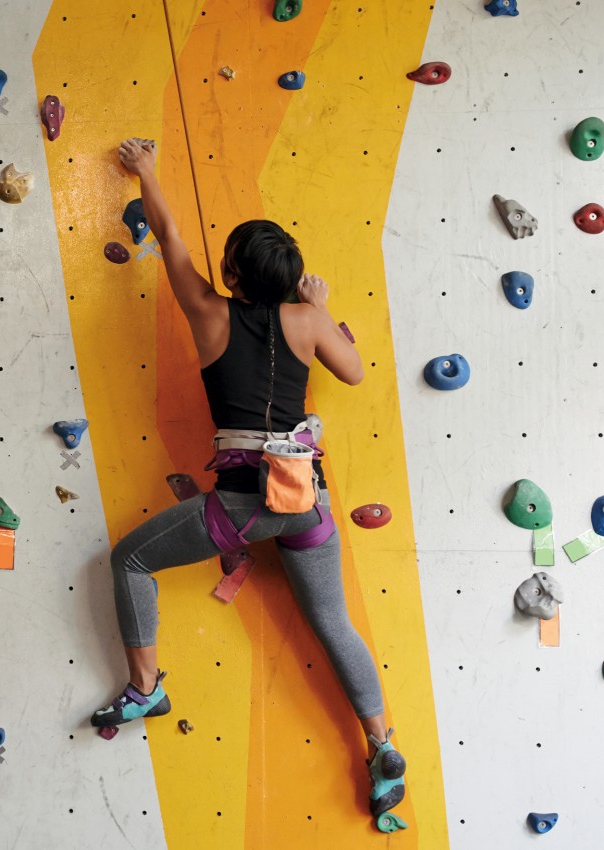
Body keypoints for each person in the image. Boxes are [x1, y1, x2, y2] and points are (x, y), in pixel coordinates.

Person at [89, 138, 406, 819]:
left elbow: (168, 235)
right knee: (331, 620)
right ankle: (380, 744)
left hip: (244, 504)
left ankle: (146, 686)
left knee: (129, 559)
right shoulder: (307, 317)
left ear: (231, 274)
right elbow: (352, 370)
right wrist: (317, 305)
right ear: (288, 281)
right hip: (308, 501)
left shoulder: (209, 314)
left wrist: (146, 169)